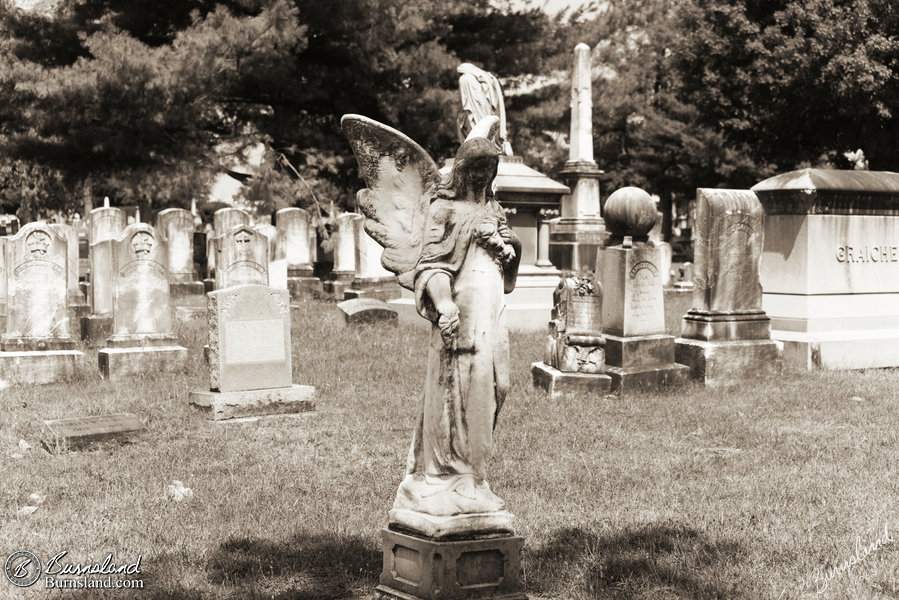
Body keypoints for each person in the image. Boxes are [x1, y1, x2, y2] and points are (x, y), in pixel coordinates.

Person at [391, 134, 521, 518]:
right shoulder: (442, 209)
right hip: (460, 315)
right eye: (477, 170)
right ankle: (447, 476)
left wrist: (509, 249)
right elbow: (431, 265)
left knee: (498, 384)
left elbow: (508, 277)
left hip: (492, 313)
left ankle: (474, 474)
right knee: (457, 391)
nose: (483, 178)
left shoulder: (494, 211)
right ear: (463, 169)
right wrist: (445, 304)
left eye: (489, 171)